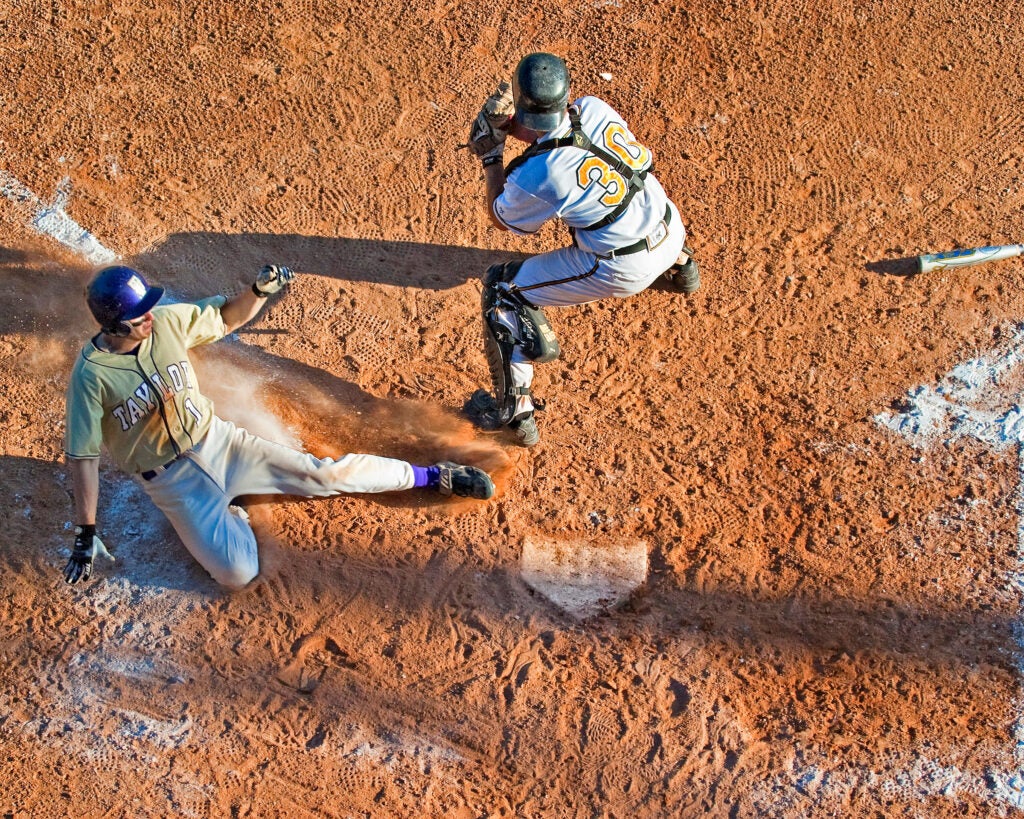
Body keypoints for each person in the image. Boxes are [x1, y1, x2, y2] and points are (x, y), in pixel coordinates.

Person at [63, 264, 495, 590]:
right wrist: (86, 531)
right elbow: (81, 457)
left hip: (223, 443)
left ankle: (436, 475)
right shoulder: (91, 377)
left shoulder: (169, 323)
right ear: (115, 324)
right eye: (140, 315)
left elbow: (225, 317)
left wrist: (256, 293)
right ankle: (235, 506)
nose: (151, 316)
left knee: (323, 475)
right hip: (173, 485)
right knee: (237, 573)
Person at [464, 52, 700, 447]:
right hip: (670, 226)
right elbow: (560, 136)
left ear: (522, 106)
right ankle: (682, 271)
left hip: (626, 267)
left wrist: (491, 155)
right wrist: (517, 127)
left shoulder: (542, 174)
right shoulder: (594, 107)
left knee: (503, 290)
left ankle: (514, 413)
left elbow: (503, 218)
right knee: (629, 192)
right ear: (567, 93)